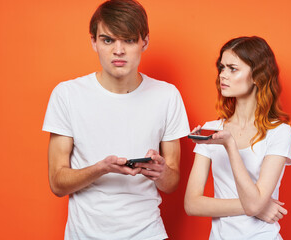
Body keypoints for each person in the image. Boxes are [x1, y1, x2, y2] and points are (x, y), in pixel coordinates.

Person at [42, 0, 189, 239]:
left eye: (129, 40)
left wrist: (160, 171)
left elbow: (171, 183)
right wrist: (100, 169)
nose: (118, 50)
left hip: (147, 232)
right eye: (108, 40)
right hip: (84, 234)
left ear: (145, 42)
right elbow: (57, 183)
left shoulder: (167, 95)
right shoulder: (67, 94)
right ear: (94, 42)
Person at [184, 36, 291, 239]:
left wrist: (230, 146)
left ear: (256, 76)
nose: (223, 75)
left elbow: (254, 204)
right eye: (221, 68)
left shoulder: (279, 132)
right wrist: (257, 206)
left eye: (232, 68)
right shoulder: (211, 129)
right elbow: (192, 204)